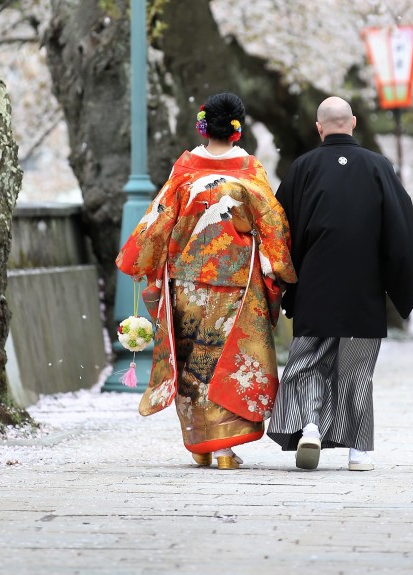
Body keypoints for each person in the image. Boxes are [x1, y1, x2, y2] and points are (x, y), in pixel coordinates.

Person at [116, 92, 295, 469]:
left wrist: (138, 260)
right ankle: (225, 449)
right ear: (237, 129)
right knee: (228, 358)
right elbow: (273, 223)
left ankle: (199, 443)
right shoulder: (250, 170)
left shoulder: (185, 167)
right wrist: (279, 267)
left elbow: (160, 219)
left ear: (203, 126)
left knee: (192, 360)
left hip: (187, 283)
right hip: (237, 283)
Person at [267, 96, 413, 471]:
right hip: (363, 287)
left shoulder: (302, 168)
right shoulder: (379, 167)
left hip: (315, 285)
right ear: (352, 122)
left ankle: (312, 427)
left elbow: (278, 232)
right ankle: (359, 452)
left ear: (320, 128)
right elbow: (400, 233)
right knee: (356, 370)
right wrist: (400, 289)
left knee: (307, 364)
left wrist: (287, 284)